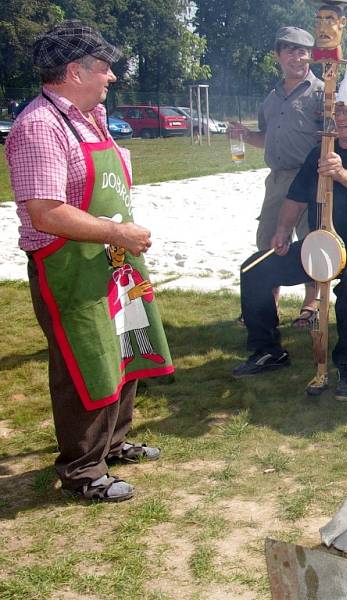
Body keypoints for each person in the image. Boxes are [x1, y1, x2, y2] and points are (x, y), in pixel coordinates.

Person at [5, 20, 174, 502]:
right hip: (69, 267)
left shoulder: (91, 117)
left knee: (120, 350)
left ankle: (113, 444)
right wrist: (118, 230)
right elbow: (46, 211)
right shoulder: (40, 126)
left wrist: (119, 239)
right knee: (85, 360)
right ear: (74, 71)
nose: (112, 77)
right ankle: (82, 470)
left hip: (112, 261)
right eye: (103, 68)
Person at [233, 60, 347, 402]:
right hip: (320, 243)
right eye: (338, 110)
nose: (342, 117)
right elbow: (297, 196)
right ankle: (267, 350)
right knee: (254, 269)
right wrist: (281, 230)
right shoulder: (320, 150)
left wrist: (341, 174)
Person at [231, 27, 321, 329]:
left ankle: (311, 307)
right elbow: (266, 138)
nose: (298, 57)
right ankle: (267, 306)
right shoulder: (270, 98)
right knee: (268, 240)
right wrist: (245, 136)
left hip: (309, 180)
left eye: (303, 50)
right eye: (291, 50)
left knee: (311, 243)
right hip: (276, 180)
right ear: (278, 55)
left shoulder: (321, 93)